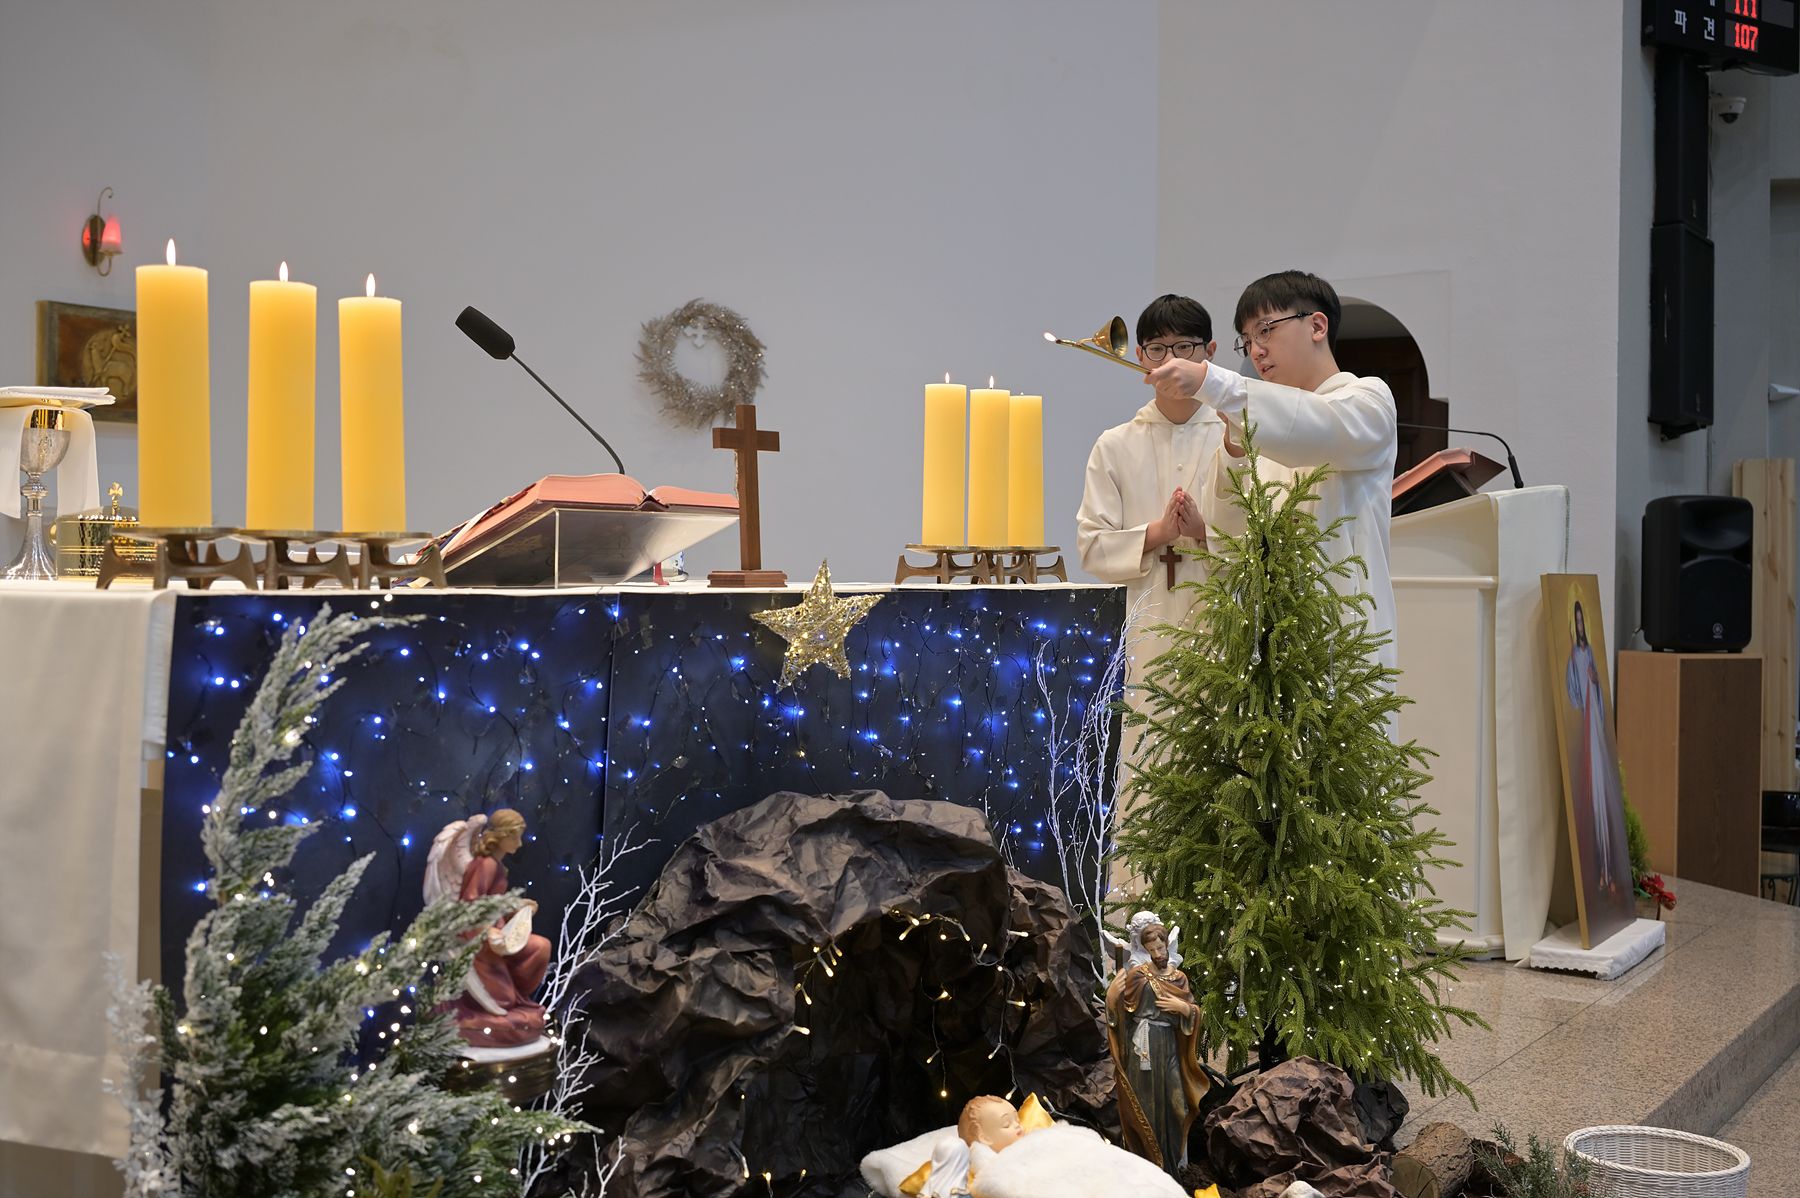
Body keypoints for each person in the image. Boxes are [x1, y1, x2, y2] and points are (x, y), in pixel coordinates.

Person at [1143, 271, 1399, 675]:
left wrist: (1214, 383)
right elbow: (1227, 535)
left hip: (1343, 635)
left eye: (1265, 331)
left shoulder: (1368, 399)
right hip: (1268, 644)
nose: (1256, 351)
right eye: (1246, 341)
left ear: (1317, 326)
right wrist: (1234, 451)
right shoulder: (1263, 422)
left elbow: (1312, 426)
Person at [1076, 294, 1227, 774]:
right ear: (1140, 358)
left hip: (1226, 624)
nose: (1171, 360)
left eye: (1185, 347)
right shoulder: (1116, 445)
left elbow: (1268, 539)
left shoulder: (1236, 435)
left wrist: (1205, 533)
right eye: (1158, 349)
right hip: (1150, 626)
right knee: (1152, 756)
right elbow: (1092, 547)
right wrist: (1158, 532)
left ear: (1210, 352)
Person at [427, 807, 552, 1047]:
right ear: (502, 836)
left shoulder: (496, 865)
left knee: (541, 947)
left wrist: (515, 906)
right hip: (478, 942)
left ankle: (517, 995)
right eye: (515, 837)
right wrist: (488, 931)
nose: (519, 844)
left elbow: (490, 903)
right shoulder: (485, 865)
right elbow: (470, 907)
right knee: (503, 1002)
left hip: (498, 936)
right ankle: (501, 1001)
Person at [1103, 912, 1207, 1173]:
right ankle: (1147, 1167)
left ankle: (1173, 1166)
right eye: (1151, 950)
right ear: (1145, 950)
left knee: (1177, 1105)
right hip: (1144, 1049)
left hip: (1169, 1045)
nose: (1158, 953)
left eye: (1160, 948)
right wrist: (1111, 997)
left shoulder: (1179, 978)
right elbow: (1122, 1016)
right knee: (1144, 1103)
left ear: (1166, 945)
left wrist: (1184, 1008)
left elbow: (1194, 1012)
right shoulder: (1138, 976)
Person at [1565, 600, 1629, 895]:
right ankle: (1601, 872)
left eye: (1582, 621)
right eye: (1576, 622)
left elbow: (1596, 685)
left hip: (1597, 727)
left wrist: (1596, 681)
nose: (1580, 626)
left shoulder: (1590, 652)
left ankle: (1608, 871)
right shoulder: (1573, 656)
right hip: (1587, 725)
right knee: (1592, 800)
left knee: (1603, 797)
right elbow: (1573, 693)